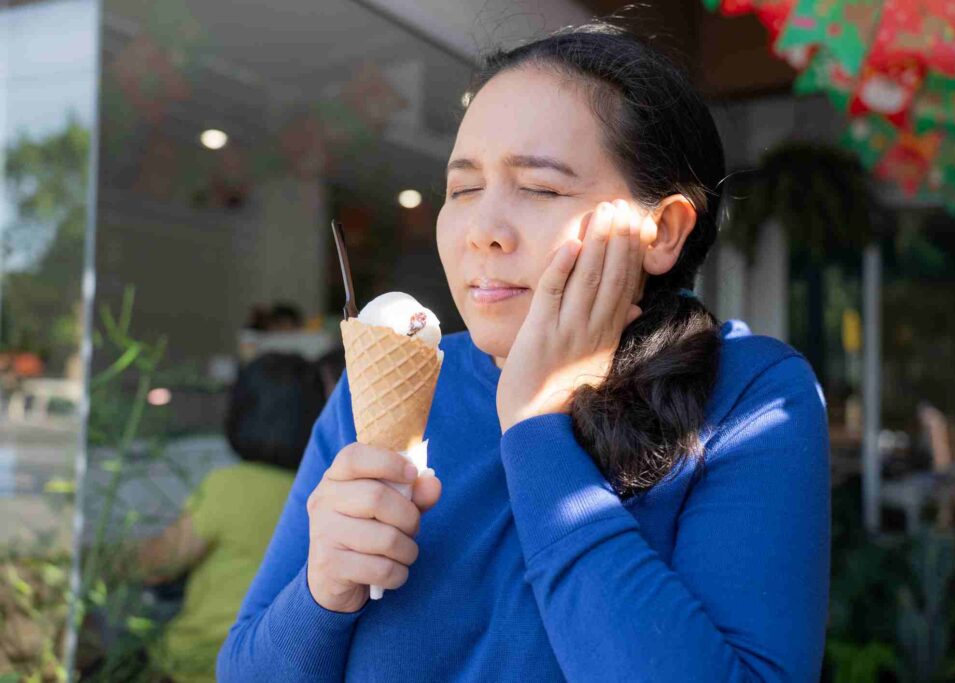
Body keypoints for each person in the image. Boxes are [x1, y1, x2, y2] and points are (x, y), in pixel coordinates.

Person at [219, 21, 830, 682]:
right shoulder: (390, 397)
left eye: (539, 188)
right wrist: (321, 593)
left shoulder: (752, 395)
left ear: (663, 229)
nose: (483, 230)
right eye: (462, 189)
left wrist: (538, 430)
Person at [138, 353, 325, 682]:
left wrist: (113, 560)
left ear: (240, 411)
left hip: (199, 663)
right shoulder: (320, 493)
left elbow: (159, 563)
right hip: (270, 667)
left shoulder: (228, 486)